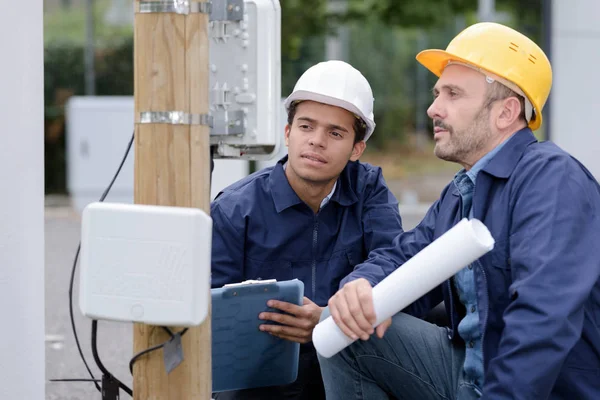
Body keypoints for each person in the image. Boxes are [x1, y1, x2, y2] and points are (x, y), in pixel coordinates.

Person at [318, 22, 600, 400]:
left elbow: (543, 321)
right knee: (340, 328)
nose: (434, 107)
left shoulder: (551, 178)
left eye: (452, 93)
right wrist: (361, 285)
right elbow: (406, 256)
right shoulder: (463, 189)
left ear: (505, 112)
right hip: (469, 373)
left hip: (529, 388)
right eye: (437, 93)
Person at [210, 60, 404, 399]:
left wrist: (328, 316)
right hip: (260, 382)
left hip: (345, 367)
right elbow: (212, 315)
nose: (316, 141)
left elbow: (391, 258)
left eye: (335, 133)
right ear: (288, 133)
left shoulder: (369, 191)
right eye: (306, 126)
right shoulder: (234, 209)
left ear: (357, 148)